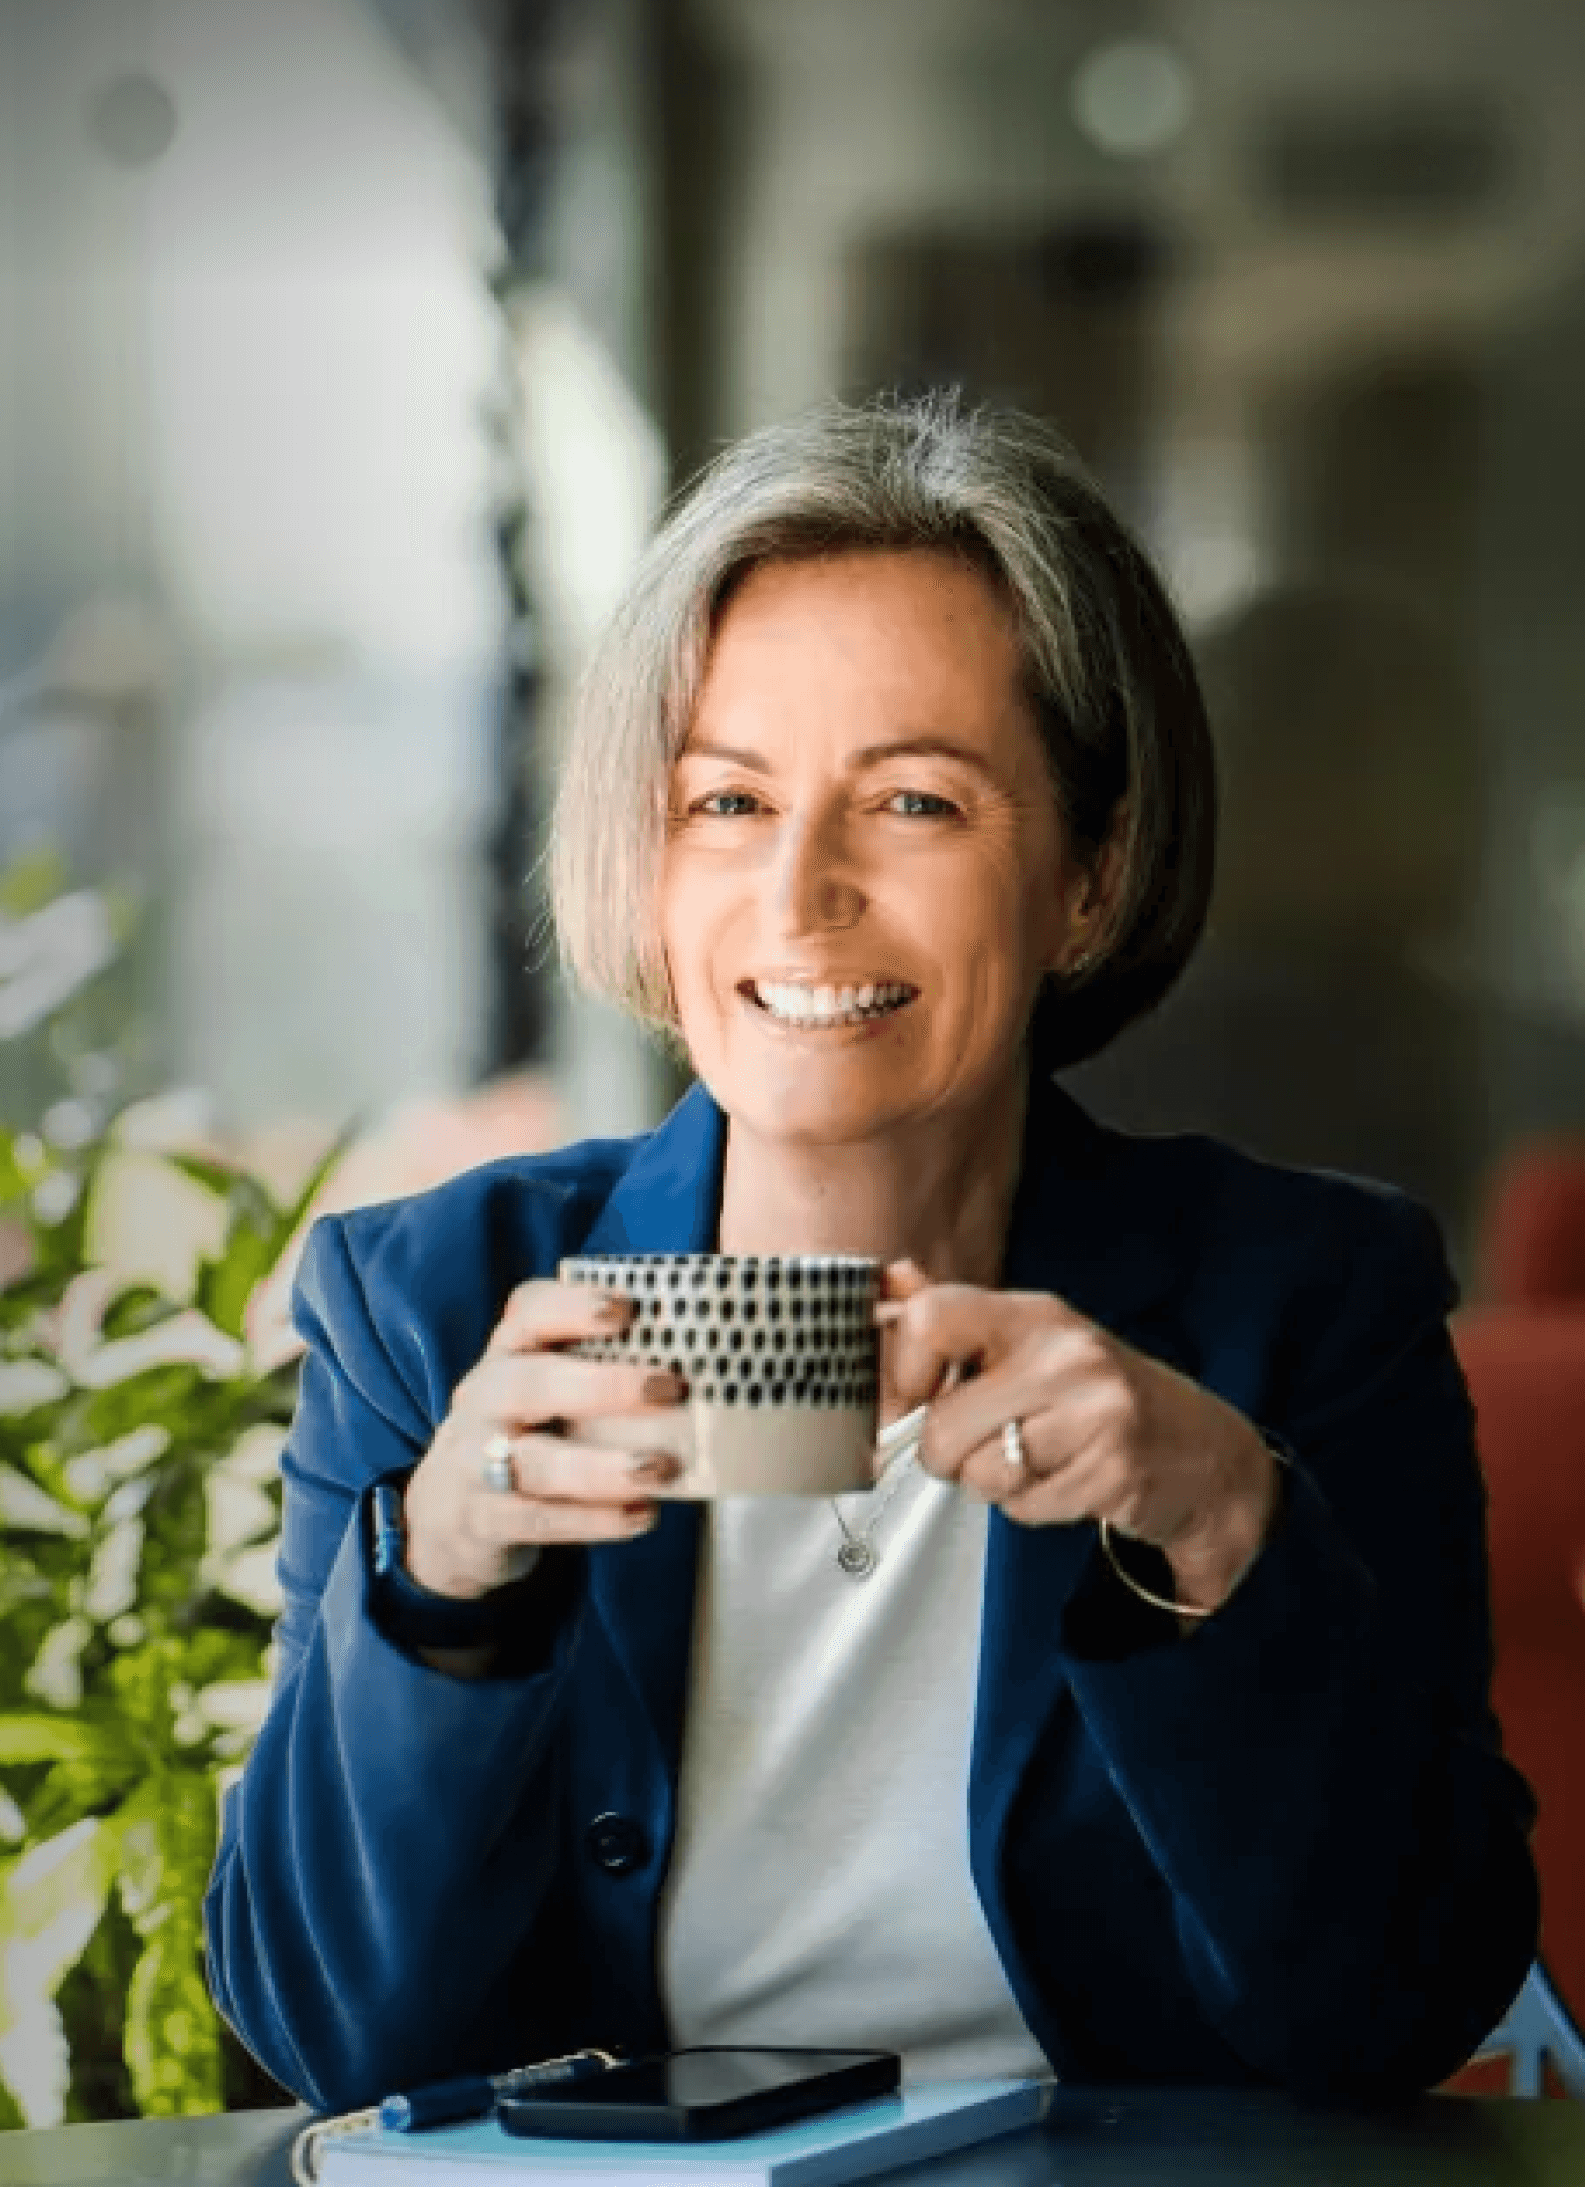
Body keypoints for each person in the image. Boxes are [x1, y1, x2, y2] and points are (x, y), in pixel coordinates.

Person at [201, 392, 1535, 2110]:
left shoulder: (1301, 1308)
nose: (801, 894)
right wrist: (443, 1577)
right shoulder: (429, 1308)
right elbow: (325, 2039)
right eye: (730, 802)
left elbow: (1395, 2011)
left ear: (1089, 874)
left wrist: (1219, 1520)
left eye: (912, 802)